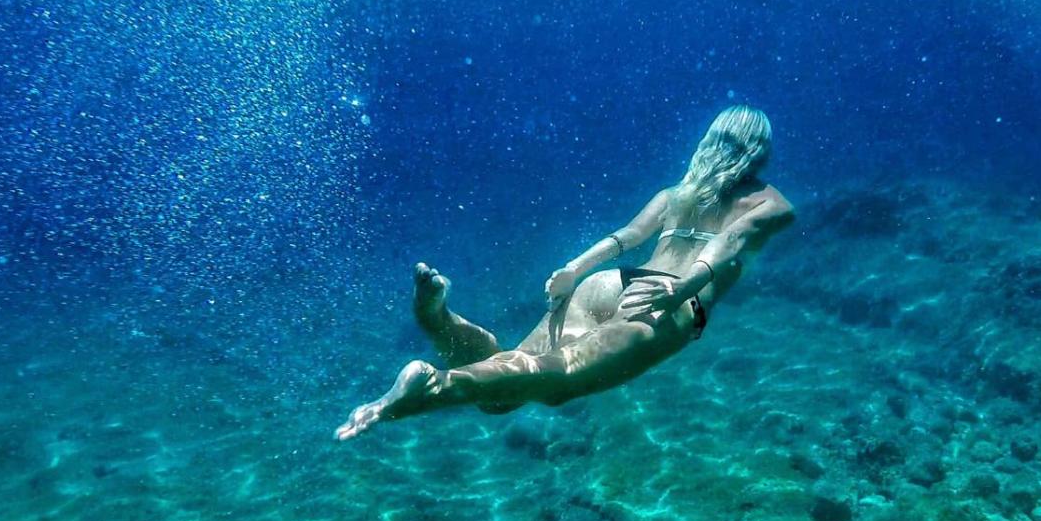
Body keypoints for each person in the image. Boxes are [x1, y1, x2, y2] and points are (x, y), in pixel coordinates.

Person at [336, 105, 795, 441]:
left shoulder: (677, 193)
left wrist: (573, 270)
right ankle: (434, 384)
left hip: (610, 283)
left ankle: (439, 320)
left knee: (506, 388)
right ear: (758, 151)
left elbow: (626, 237)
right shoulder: (770, 204)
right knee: (555, 382)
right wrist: (683, 290)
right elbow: (727, 243)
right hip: (668, 304)